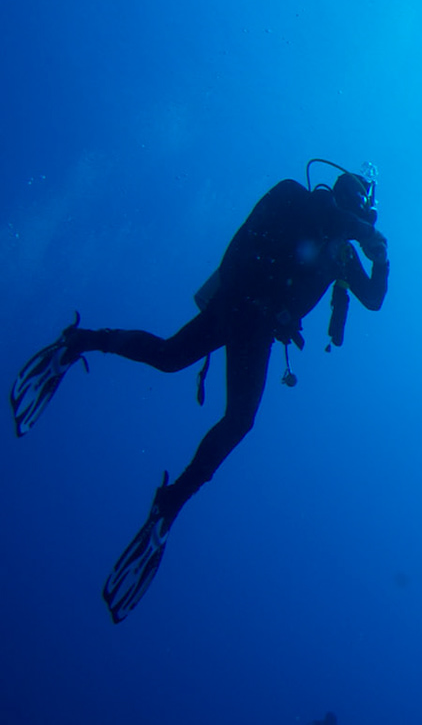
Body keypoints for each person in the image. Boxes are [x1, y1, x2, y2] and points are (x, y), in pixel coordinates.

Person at [8, 161, 390, 621]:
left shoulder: (343, 253)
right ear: (347, 195)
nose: (360, 214)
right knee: (237, 418)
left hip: (249, 318)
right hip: (247, 309)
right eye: (358, 202)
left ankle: (80, 342)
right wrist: (365, 234)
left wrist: (381, 257)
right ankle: (172, 500)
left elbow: (372, 298)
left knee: (171, 358)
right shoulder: (311, 201)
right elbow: (327, 218)